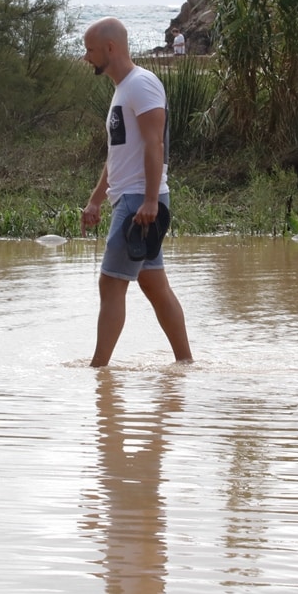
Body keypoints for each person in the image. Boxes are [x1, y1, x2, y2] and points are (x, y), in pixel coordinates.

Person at [80, 18, 193, 368]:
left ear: (110, 49)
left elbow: (153, 143)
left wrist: (148, 199)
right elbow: (118, 153)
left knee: (110, 284)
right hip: (130, 198)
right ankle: (185, 364)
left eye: (91, 50)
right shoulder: (123, 90)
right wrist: (97, 198)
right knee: (155, 287)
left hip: (139, 202)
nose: (87, 58)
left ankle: (98, 369)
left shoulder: (142, 85)